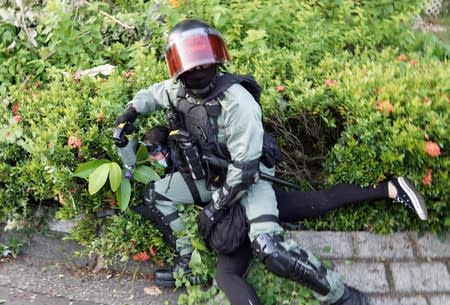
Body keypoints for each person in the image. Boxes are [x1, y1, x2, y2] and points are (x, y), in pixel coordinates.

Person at [113, 19, 427, 305]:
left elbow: (246, 170)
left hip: (249, 182)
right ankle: (188, 262)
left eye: (204, 63)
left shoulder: (238, 103)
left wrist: (215, 209)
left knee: (270, 248)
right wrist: (129, 112)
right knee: (157, 196)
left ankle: (342, 296)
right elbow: (154, 94)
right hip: (209, 176)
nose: (198, 71)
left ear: (217, 59)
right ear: (179, 68)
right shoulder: (178, 91)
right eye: (191, 66)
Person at [138, 125, 428, 305]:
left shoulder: (187, 175)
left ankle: (390, 189)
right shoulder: (199, 156)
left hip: (242, 221)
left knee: (226, 276)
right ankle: (389, 188)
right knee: (319, 201)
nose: (152, 159)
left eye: (153, 153)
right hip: (258, 205)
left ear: (165, 149)